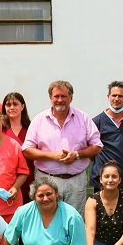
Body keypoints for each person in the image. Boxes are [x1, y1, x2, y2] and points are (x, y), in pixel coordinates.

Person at [23, 80, 103, 214]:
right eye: (56, 96)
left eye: (64, 96)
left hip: (76, 180)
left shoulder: (83, 118)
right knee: (47, 218)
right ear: (50, 98)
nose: (60, 100)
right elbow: (27, 150)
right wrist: (53, 156)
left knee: (74, 218)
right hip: (46, 180)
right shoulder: (39, 120)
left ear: (71, 97)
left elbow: (97, 146)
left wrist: (76, 155)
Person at [90, 81, 123, 196]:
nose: (116, 99)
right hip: (104, 182)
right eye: (114, 95)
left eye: (120, 96)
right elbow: (91, 152)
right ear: (108, 97)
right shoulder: (96, 122)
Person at [3, 91, 35, 203]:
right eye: (8, 105)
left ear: (22, 106)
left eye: (15, 104)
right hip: (6, 185)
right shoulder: (0, 131)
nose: (12, 108)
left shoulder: (31, 129)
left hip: (29, 183)